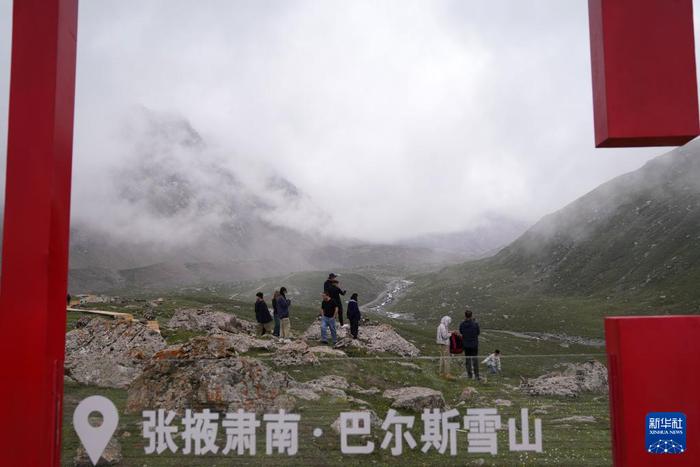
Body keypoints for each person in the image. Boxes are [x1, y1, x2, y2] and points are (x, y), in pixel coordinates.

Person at [459, 308, 480, 380]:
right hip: (474, 344)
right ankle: (477, 376)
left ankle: (469, 375)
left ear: (465, 316)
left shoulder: (462, 324)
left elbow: (461, 332)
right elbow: (478, 333)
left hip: (466, 345)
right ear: (471, 316)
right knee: (475, 360)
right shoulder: (475, 324)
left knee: (467, 360)